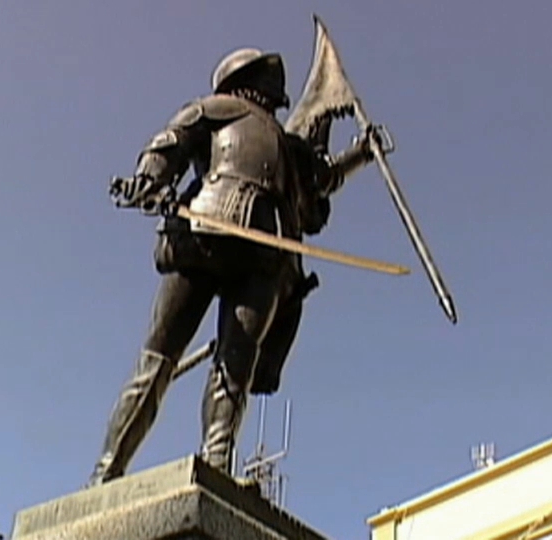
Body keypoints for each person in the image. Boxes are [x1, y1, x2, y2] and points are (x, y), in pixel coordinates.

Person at [90, 47, 385, 486]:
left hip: (266, 255)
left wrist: (362, 153)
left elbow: (318, 183)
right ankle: (107, 471)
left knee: (235, 365)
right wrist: (148, 180)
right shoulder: (216, 110)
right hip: (203, 232)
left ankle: (217, 467)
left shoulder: (289, 146)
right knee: (159, 358)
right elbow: (170, 143)